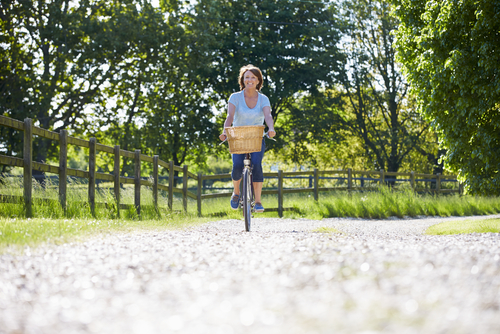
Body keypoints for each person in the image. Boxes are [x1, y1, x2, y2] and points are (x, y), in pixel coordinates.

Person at [219, 65, 276, 212]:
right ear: (242, 80)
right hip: (238, 137)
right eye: (247, 77)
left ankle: (257, 201)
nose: (249, 80)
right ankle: (236, 193)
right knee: (237, 165)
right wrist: (225, 131)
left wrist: (271, 128)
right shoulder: (235, 97)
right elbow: (230, 116)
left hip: (256, 137)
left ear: (258, 81)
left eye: (253, 77)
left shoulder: (263, 99)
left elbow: (268, 116)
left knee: (256, 165)